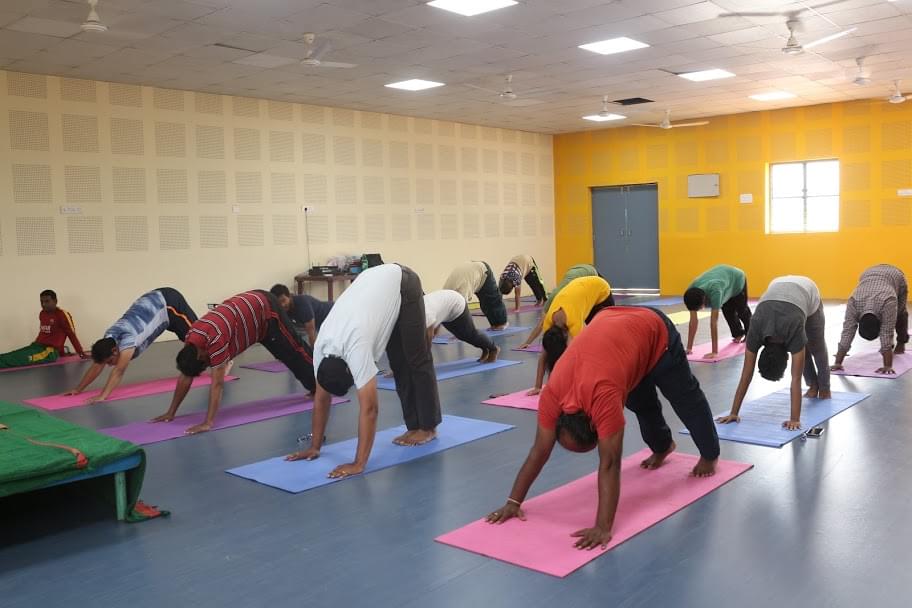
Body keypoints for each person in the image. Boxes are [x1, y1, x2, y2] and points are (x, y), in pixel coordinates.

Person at [486, 306, 720, 549]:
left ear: (592, 421)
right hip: (617, 336)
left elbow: (609, 463)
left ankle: (710, 453)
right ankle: (663, 446)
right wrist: (513, 501)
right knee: (640, 402)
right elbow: (539, 450)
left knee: (684, 398)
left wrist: (602, 527)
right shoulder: (551, 396)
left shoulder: (604, 398)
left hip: (654, 331)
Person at [286, 264, 441, 478]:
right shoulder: (321, 352)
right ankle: (415, 425)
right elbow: (321, 399)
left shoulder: (356, 350)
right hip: (376, 287)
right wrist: (315, 446)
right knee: (398, 362)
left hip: (402, 282)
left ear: (350, 368)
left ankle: (428, 427)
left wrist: (358, 463)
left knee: (416, 358)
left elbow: (370, 410)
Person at [152, 290, 315, 434]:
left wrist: (208, 422)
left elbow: (217, 383)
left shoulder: (215, 340)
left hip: (266, 309)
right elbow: (185, 375)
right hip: (254, 323)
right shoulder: (191, 338)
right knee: (285, 355)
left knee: (294, 351)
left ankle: (321, 385)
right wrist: (171, 412)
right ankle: (315, 386)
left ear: (202, 356)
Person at [718, 275, 830, 431]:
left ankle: (824, 388)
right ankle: (813, 385)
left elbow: (795, 378)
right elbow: (746, 374)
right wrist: (733, 413)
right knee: (801, 348)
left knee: (816, 346)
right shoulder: (755, 330)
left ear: (786, 357)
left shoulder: (793, 327)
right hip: (778, 289)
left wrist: (794, 419)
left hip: (807, 290)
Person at [64, 288, 198, 404]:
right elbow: (97, 365)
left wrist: (102, 396)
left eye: (110, 361)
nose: (110, 365)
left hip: (168, 303)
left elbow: (119, 371)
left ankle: (218, 366)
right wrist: (78, 389)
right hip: (154, 306)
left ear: (115, 350)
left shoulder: (128, 340)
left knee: (199, 338)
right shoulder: (109, 337)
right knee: (191, 341)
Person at [529, 276, 613, 395]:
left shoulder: (574, 324)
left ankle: (607, 373)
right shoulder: (548, 323)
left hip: (600, 288)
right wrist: (538, 387)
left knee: (603, 335)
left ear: (565, 335)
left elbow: (576, 356)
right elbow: (543, 357)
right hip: (579, 288)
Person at [832, 264, 908, 375]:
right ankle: (891, 348)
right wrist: (838, 363)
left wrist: (887, 366)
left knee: (900, 314)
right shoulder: (853, 303)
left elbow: (886, 332)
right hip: (868, 274)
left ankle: (902, 342)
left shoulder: (889, 302)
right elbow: (847, 332)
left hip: (896, 276)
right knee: (891, 322)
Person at [518, 263, 602, 349]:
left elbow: (541, 324)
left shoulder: (557, 301)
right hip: (575, 270)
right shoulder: (553, 301)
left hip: (588, 272)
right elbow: (541, 324)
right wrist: (527, 343)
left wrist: (527, 342)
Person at [0, 290, 87, 368]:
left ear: (55, 301)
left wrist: (81, 353)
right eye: (41, 302)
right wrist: (62, 354)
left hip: (48, 352)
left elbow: (71, 334)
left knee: (15, 359)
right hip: (36, 346)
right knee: (12, 354)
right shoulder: (42, 313)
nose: (44, 304)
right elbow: (50, 334)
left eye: (47, 301)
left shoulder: (62, 314)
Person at [683, 264, 752, 359]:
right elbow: (693, 322)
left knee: (742, 310)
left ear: (703, 301)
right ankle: (738, 334)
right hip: (724, 280)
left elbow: (713, 323)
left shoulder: (715, 291)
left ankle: (750, 334)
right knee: (728, 310)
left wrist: (714, 352)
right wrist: (689, 348)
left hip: (737, 279)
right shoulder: (691, 293)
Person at [424, 289, 499, 362]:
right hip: (445, 309)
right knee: (461, 335)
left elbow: (428, 338)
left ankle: (493, 349)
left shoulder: (425, 313)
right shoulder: (420, 311)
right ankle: (484, 349)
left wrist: (426, 358)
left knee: (469, 334)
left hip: (455, 303)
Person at [443, 261, 508, 330]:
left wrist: (460, 332)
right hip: (471, 273)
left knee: (492, 300)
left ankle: (502, 323)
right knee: (484, 303)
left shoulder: (461, 292)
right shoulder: (444, 293)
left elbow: (463, 312)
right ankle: (496, 324)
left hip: (483, 270)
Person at [269, 284, 334, 345]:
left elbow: (311, 334)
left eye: (284, 300)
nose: (282, 305)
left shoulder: (302, 304)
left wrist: (312, 355)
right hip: (320, 323)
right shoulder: (281, 309)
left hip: (332, 313)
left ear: (289, 296)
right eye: (279, 303)